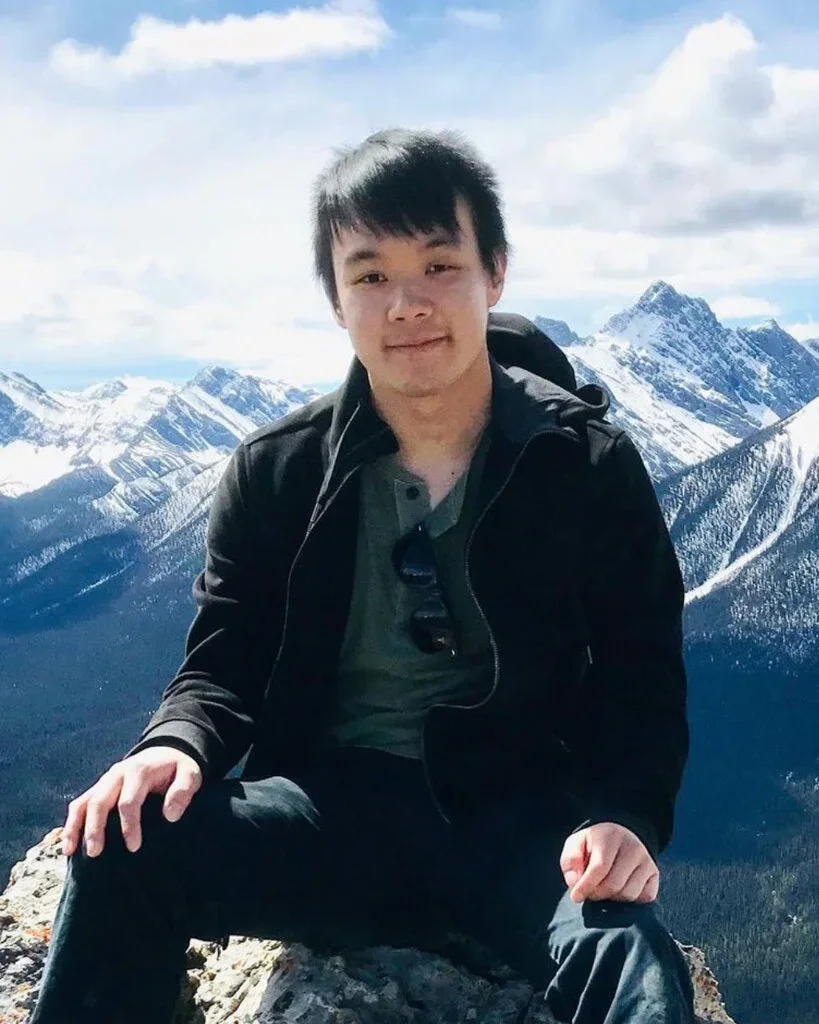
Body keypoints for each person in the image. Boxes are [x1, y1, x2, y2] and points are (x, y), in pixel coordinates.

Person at [31, 127, 695, 1023]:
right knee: (119, 846)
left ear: (493, 273)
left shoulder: (580, 464)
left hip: (519, 826)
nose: (407, 304)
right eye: (371, 276)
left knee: (630, 961)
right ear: (336, 301)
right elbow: (225, 656)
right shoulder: (280, 470)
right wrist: (171, 746)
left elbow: (640, 673)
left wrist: (623, 818)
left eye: (438, 266)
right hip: (324, 811)